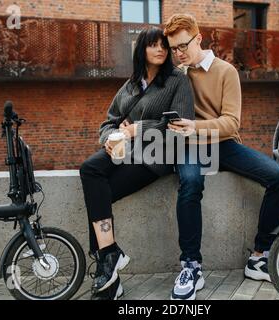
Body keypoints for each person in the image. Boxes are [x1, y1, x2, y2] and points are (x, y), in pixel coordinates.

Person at [163, 14, 279, 300]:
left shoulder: (225, 71)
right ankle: (191, 265)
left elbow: (231, 123)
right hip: (189, 145)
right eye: (173, 49)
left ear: (198, 38)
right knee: (190, 183)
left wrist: (196, 126)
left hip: (224, 143)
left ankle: (260, 257)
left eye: (182, 46)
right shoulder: (176, 74)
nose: (178, 54)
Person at [79, 26, 195, 300]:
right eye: (153, 45)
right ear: (141, 49)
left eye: (164, 46)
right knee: (90, 170)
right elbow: (108, 121)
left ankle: (106, 275)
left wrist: (137, 129)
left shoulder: (178, 81)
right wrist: (109, 137)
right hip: (124, 151)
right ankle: (109, 255)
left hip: (157, 156)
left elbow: (178, 125)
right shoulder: (131, 84)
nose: (161, 50)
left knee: (99, 197)